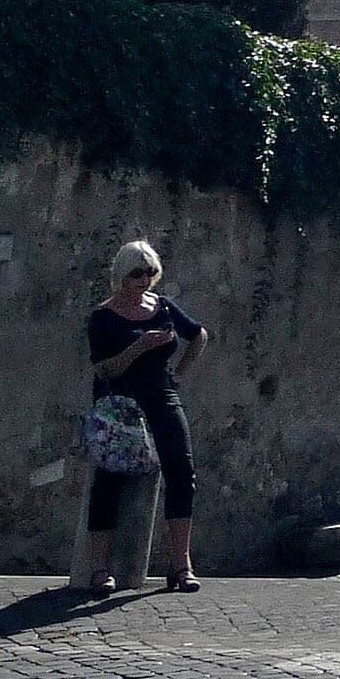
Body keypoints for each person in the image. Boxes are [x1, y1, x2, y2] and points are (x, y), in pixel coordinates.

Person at [83, 240, 208, 593]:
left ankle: (181, 564)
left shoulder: (163, 307)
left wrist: (180, 372)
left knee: (181, 470)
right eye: (136, 273)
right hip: (120, 402)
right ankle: (99, 568)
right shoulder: (103, 317)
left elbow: (198, 335)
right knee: (109, 477)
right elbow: (103, 370)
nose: (144, 280)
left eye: (150, 272)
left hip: (161, 396)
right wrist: (138, 347)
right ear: (121, 275)